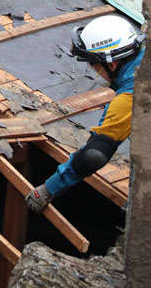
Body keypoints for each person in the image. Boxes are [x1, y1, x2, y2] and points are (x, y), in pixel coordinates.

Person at [25, 16, 145, 213]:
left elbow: (93, 156)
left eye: (93, 64)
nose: (93, 70)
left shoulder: (132, 95)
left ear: (112, 64)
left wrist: (48, 189)